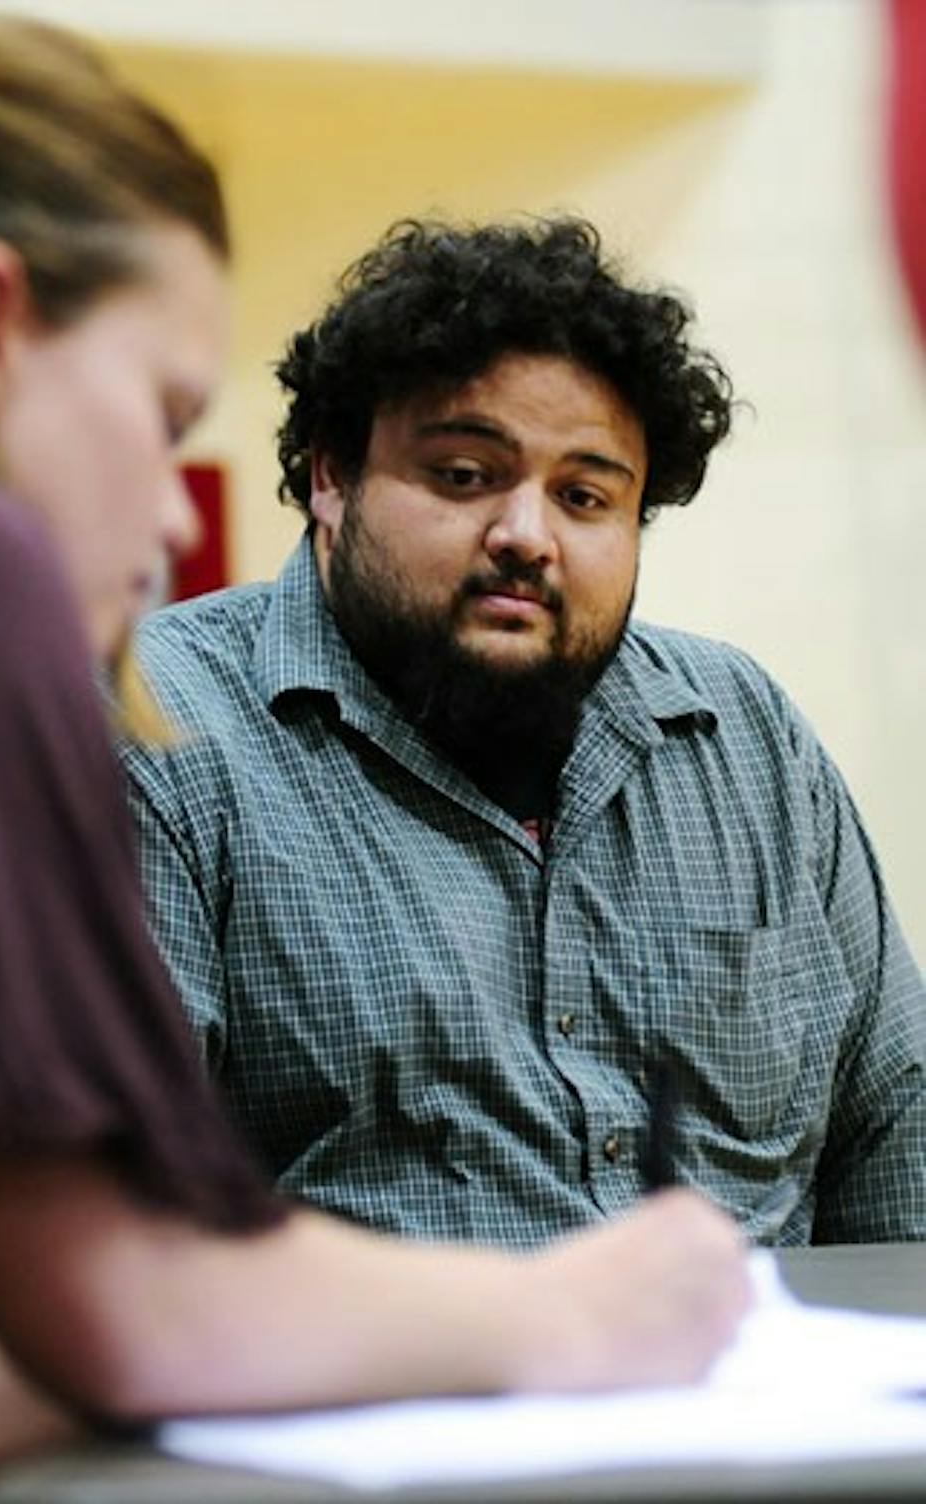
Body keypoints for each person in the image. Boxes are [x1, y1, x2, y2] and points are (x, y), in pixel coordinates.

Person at [0, 16, 750, 1499]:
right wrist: (565, 1313)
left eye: (587, 492)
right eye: (164, 414)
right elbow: (135, 1290)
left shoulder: (742, 726)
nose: (179, 520)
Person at [124, 217, 926, 1253]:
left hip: (773, 1397)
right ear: (331, 477)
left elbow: (897, 1147)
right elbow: (117, 1239)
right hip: (381, 1400)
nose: (525, 535)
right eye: (462, 475)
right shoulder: (158, 726)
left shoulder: (746, 738)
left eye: (584, 496)